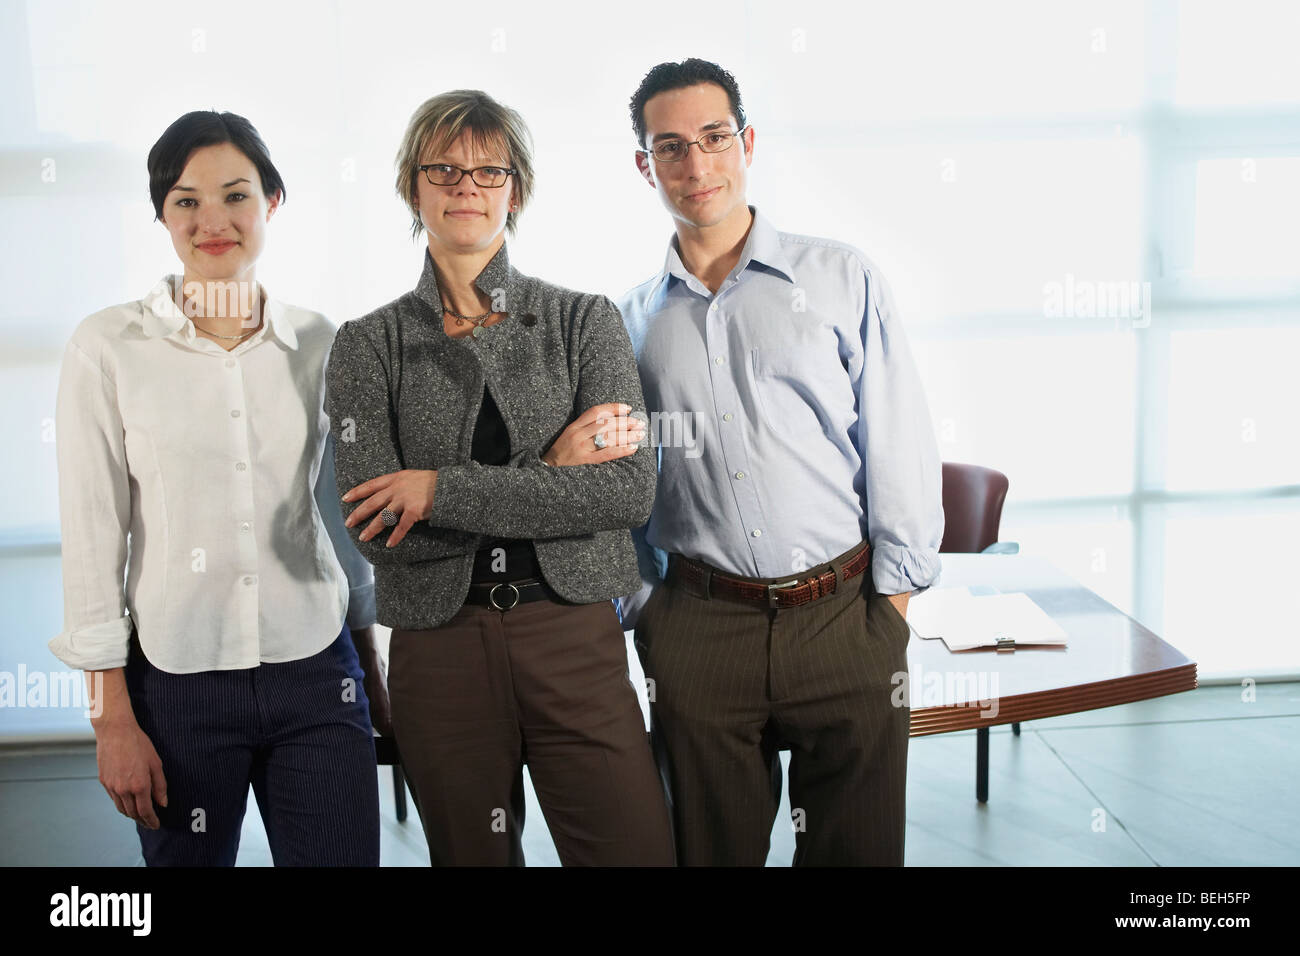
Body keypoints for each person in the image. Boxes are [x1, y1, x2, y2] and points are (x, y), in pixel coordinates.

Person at [325, 89, 674, 867]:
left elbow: (624, 493)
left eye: (489, 172)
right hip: (439, 648)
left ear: (516, 189)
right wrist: (549, 470)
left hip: (572, 631)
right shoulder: (366, 345)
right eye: (443, 170)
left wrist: (437, 489)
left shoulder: (583, 321)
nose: (466, 189)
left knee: (634, 851)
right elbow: (380, 530)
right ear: (412, 187)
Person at [616, 59, 945, 866]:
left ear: (747, 141)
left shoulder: (840, 278)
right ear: (644, 165)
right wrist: (644, 610)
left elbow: (898, 442)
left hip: (846, 618)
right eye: (670, 148)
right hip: (698, 632)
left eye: (714, 138)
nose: (696, 165)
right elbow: (616, 484)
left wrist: (891, 609)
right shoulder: (629, 322)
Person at [50, 110, 384, 866]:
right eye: (186, 201)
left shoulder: (321, 342)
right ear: (162, 216)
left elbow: (338, 513)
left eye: (235, 195)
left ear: (272, 202)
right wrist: (111, 721)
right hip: (177, 685)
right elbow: (93, 534)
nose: (212, 221)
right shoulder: (108, 347)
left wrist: (368, 662)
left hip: (316, 671)